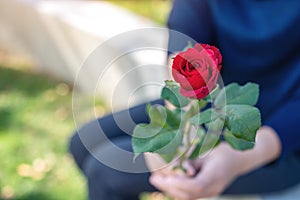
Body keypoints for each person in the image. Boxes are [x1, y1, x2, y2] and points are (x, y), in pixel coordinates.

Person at [69, 0, 300, 199]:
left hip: (280, 136)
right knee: (83, 141)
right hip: (207, 106)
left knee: (105, 170)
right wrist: (179, 125)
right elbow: (185, 37)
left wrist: (239, 158)